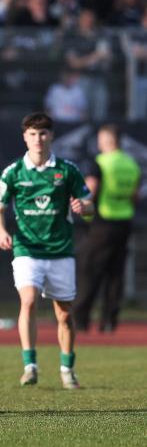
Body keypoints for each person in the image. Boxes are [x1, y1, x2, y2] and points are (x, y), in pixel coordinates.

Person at [0, 112, 94, 389]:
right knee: (29, 302)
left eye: (43, 133)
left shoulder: (67, 170)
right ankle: (30, 366)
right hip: (27, 249)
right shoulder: (13, 172)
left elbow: (89, 205)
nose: (38, 139)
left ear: (52, 136)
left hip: (60, 250)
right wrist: (2, 232)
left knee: (64, 314)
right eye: (33, 134)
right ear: (25, 137)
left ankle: (67, 368)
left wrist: (84, 209)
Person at [74, 124, 142, 332]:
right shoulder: (131, 164)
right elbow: (135, 196)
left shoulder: (101, 163)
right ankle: (109, 321)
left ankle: (80, 319)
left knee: (90, 271)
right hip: (124, 223)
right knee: (116, 274)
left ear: (106, 140)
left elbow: (90, 192)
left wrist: (80, 207)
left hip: (101, 224)